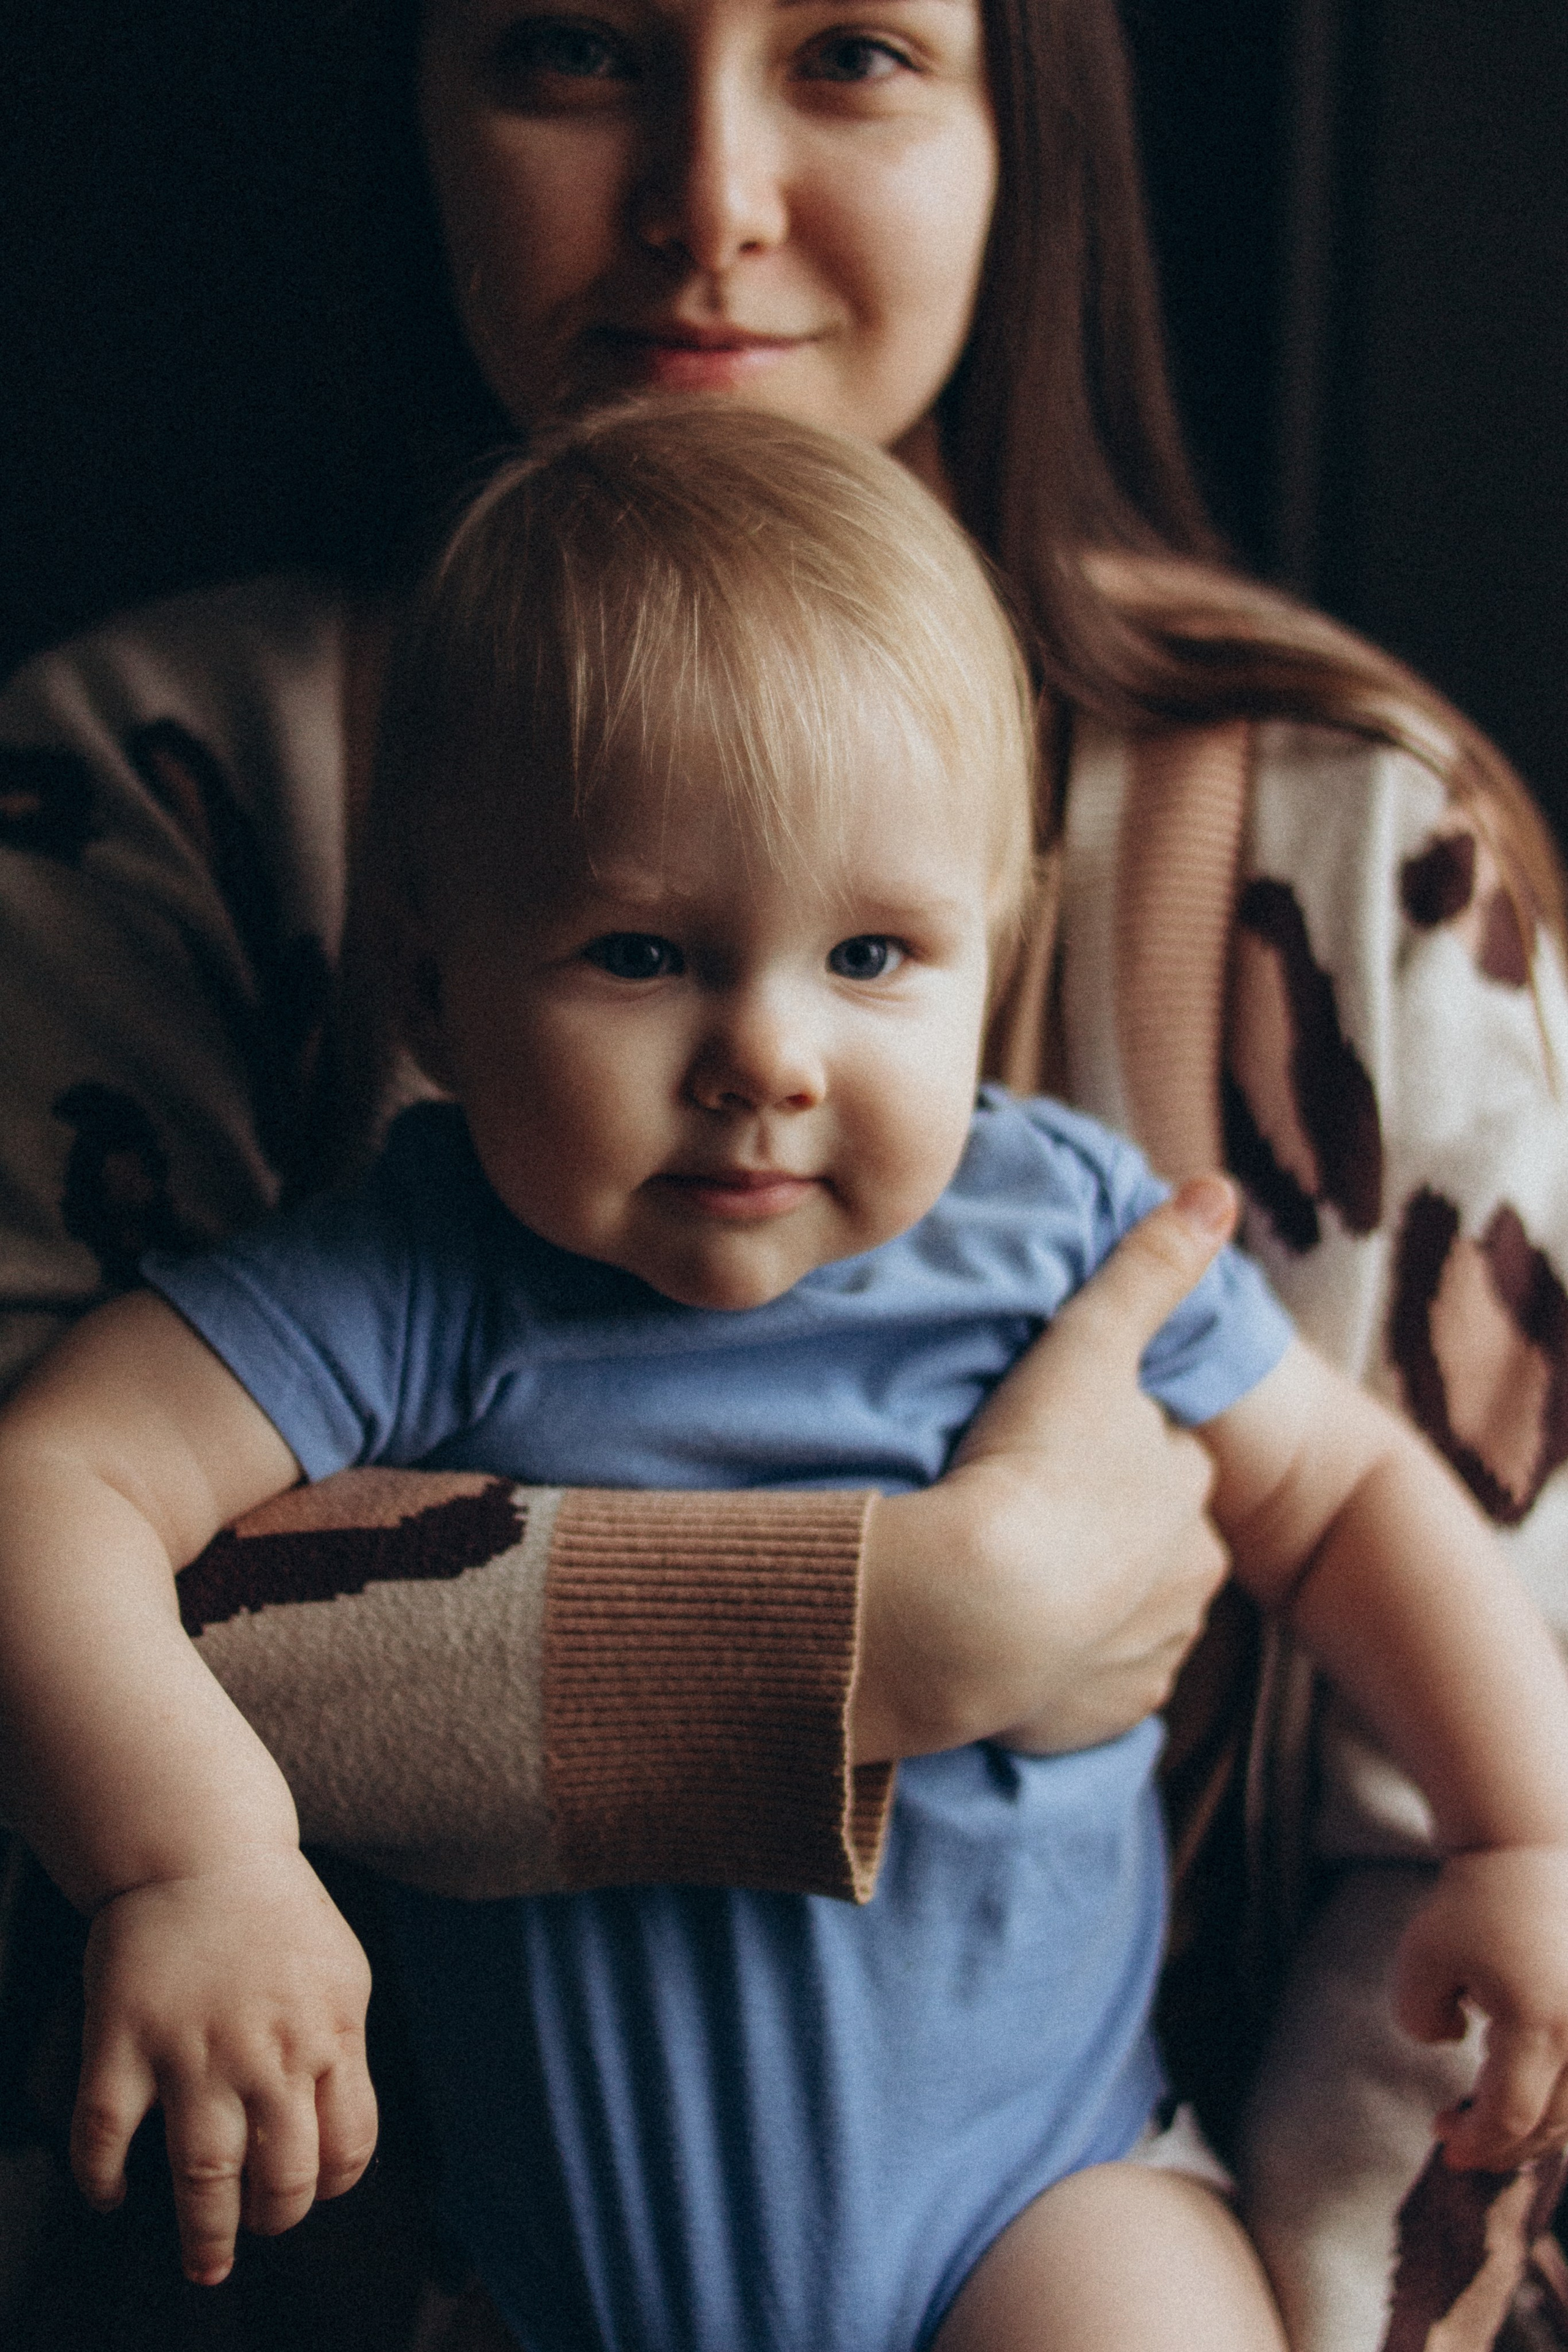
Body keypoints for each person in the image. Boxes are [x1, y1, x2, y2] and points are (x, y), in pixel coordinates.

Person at [1, 0, 1565, 2345]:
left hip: (1050, 2194)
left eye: (850, 50)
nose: (711, 197)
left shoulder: (1162, 1088)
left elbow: (1357, 1517)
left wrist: (1531, 1837)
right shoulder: (267, 977)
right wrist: (916, 1627)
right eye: (571, 47)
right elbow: (54, 1526)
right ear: (426, 978)